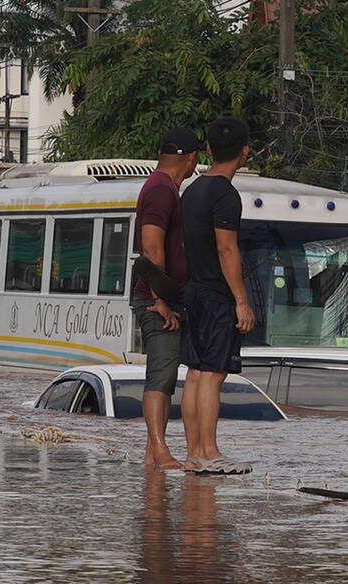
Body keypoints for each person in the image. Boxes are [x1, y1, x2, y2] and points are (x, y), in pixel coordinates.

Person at [179, 117, 255, 473]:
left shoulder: (191, 190)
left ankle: (194, 452)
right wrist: (241, 300)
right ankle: (209, 452)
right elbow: (227, 250)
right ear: (245, 152)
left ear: (208, 149)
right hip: (215, 295)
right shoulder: (226, 195)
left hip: (193, 291)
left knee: (196, 372)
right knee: (213, 374)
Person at [132, 127, 201, 470]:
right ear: (192, 158)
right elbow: (151, 245)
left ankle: (152, 457)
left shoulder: (164, 188)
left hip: (162, 295)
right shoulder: (161, 189)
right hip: (155, 298)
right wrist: (161, 299)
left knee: (167, 373)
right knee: (160, 374)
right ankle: (160, 450)